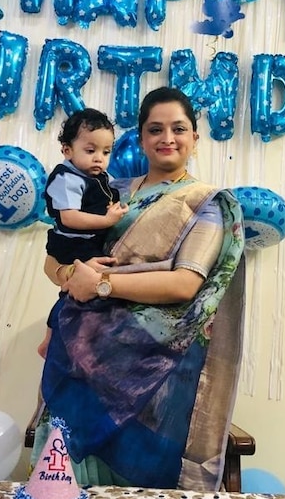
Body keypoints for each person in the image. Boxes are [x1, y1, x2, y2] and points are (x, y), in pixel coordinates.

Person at [31, 87, 246, 491]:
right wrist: (70, 277)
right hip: (81, 358)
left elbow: (185, 283)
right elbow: (54, 255)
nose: (167, 138)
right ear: (142, 138)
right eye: (155, 129)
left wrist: (102, 284)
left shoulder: (206, 202)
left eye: (178, 128)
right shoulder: (110, 192)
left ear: (195, 138)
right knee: (63, 480)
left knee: (136, 482)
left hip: (153, 376)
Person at [38, 108, 129, 358]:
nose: (99, 158)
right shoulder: (66, 177)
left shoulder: (100, 177)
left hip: (88, 241)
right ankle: (51, 335)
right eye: (90, 151)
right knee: (72, 292)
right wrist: (106, 219)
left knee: (79, 292)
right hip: (71, 244)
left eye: (106, 152)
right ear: (68, 150)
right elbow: (70, 217)